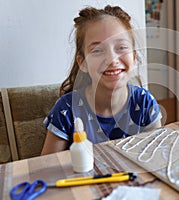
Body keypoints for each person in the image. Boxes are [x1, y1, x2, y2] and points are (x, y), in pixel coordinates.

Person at [41, 5, 162, 155]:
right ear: (83, 63)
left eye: (121, 47)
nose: (112, 60)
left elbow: (156, 157)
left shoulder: (145, 103)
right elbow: (47, 167)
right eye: (97, 50)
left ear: (134, 57)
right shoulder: (66, 108)